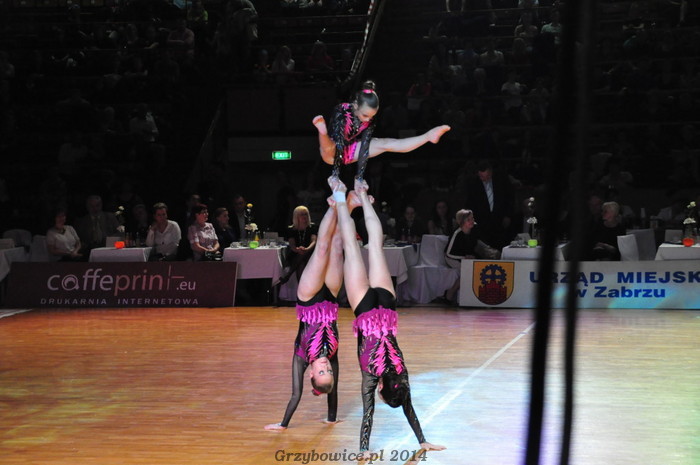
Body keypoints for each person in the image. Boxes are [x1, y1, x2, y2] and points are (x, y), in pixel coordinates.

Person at [330, 177, 446, 454]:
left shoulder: (401, 375)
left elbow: (408, 408)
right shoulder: (371, 375)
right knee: (351, 247)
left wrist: (423, 440)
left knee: (376, 246)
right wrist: (364, 449)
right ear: (381, 388)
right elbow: (368, 415)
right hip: (364, 309)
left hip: (387, 306)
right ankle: (340, 195)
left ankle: (363, 196)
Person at [264, 193, 345, 431]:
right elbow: (333, 391)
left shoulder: (301, 357)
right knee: (336, 247)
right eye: (328, 370)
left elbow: (295, 395)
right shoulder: (331, 355)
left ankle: (333, 204)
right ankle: (342, 204)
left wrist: (283, 424)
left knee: (321, 250)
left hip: (309, 299)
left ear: (311, 374)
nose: (326, 366)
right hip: (330, 297)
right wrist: (331, 418)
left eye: (321, 371)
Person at [312, 80, 451, 180]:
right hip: (332, 151)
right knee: (330, 148)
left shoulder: (369, 120)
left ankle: (427, 136)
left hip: (351, 149)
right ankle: (322, 132)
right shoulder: (341, 110)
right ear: (355, 105)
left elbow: (365, 146)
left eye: (371, 116)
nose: (367, 120)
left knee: (385, 143)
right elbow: (339, 141)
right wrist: (335, 176)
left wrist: (359, 177)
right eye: (365, 115)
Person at [443, 209, 499, 303]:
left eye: (472, 218)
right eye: (468, 220)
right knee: (468, 270)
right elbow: (448, 253)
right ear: (462, 222)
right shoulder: (457, 234)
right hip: (453, 257)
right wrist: (464, 257)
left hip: (468, 255)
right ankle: (450, 293)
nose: (472, 221)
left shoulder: (475, 228)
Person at [279, 206, 318, 285]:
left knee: (304, 256)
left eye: (306, 214)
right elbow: (292, 244)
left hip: (310, 252)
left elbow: (314, 241)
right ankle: (302, 289)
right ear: (296, 216)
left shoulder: (312, 227)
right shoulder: (291, 229)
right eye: (301, 214)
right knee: (301, 264)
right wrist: (297, 249)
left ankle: (288, 275)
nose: (304, 216)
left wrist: (306, 249)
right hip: (296, 253)